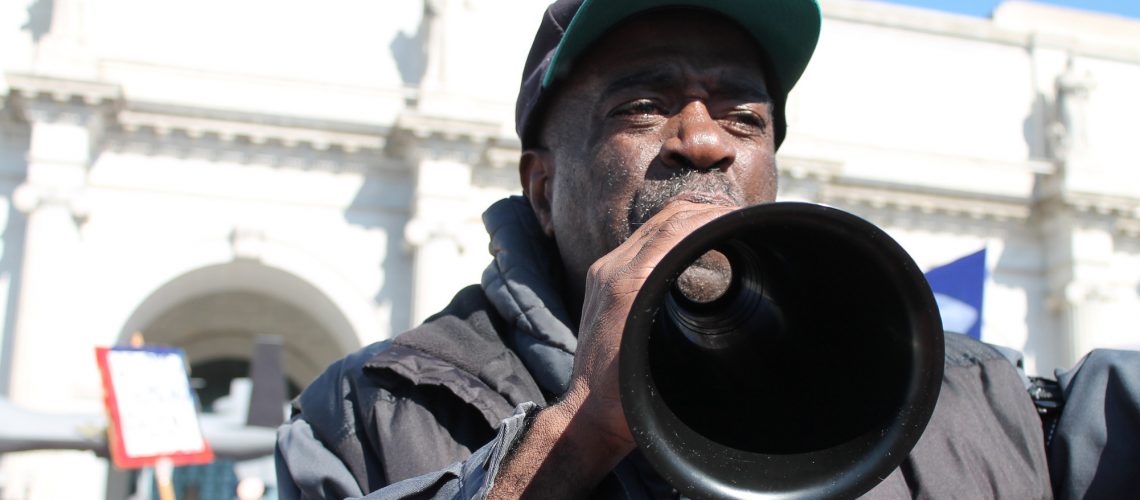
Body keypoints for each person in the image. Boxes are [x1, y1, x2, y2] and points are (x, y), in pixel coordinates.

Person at [276, 0, 1134, 498]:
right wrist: (575, 434)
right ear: (542, 186)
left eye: (744, 115)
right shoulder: (372, 414)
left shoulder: (971, 396)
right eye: (643, 106)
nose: (703, 140)